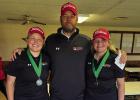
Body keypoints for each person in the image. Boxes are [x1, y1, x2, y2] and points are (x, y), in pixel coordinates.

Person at [10, 2, 127, 100]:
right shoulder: (50, 40)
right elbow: (36, 50)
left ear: (77, 18)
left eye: (72, 16)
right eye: (65, 16)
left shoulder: (86, 41)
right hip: (56, 96)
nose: (68, 19)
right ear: (60, 18)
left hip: (80, 96)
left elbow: (101, 49)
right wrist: (22, 50)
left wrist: (120, 52)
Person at [5, 27, 50, 100]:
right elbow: (10, 83)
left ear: (43, 42)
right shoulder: (18, 57)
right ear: (27, 40)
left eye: (39, 39)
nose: (35, 42)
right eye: (32, 38)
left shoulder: (47, 58)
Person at [85, 28, 125, 100]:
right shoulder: (88, 57)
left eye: (103, 40)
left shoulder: (117, 59)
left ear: (108, 43)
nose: (99, 43)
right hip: (89, 97)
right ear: (93, 42)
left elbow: (121, 85)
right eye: (97, 40)